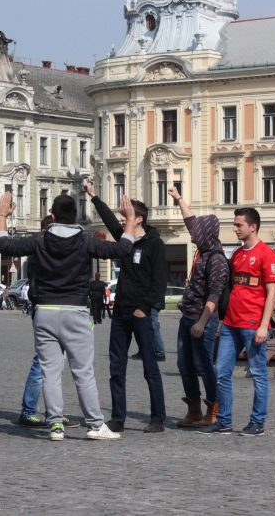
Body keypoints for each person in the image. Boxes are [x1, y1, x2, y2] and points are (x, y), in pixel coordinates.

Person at [0, 192, 136, 442]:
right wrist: (130, 219)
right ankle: (95, 425)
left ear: (53, 216)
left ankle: (56, 426)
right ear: (76, 217)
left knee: (50, 372)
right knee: (83, 372)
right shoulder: (85, 241)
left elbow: (3, 245)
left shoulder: (40, 239)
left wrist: (2, 215)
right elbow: (123, 248)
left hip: (45, 312)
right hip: (75, 311)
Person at [86, 182, 167, 434]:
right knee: (116, 367)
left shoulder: (154, 244)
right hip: (121, 313)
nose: (122, 220)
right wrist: (94, 197)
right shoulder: (126, 239)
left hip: (141, 314)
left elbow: (160, 283)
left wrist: (144, 308)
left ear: (139, 219)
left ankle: (157, 418)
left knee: (150, 368)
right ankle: (118, 418)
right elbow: (110, 221)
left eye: (127, 216)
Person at [199, 208, 275, 436]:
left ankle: (258, 422)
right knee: (221, 372)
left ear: (252, 227)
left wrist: (264, 325)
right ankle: (224, 421)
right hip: (231, 324)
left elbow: (272, 293)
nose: (234, 229)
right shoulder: (236, 255)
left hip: (253, 325)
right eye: (234, 224)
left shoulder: (267, 255)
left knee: (258, 374)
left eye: (238, 225)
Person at [169, 186, 229, 428]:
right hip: (187, 317)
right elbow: (190, 220)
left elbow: (214, 294)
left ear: (205, 234)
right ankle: (193, 409)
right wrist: (178, 198)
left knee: (204, 366)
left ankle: (213, 410)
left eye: (196, 231)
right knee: (184, 365)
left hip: (202, 321)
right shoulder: (203, 252)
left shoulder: (216, 259)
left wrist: (202, 323)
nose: (192, 233)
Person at [17, 216, 78, 429]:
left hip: (53, 307)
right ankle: (29, 411)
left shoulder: (45, 249)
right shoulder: (40, 250)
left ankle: (53, 412)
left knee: (55, 364)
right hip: (45, 307)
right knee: (42, 362)